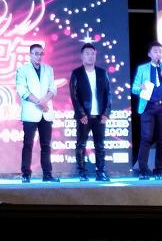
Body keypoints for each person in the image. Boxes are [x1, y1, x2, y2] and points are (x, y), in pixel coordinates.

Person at [131, 41, 162, 180]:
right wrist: (140, 87)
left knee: (161, 140)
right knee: (146, 137)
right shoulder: (142, 69)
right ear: (149, 54)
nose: (158, 54)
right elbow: (134, 88)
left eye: (160, 51)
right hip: (148, 107)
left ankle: (159, 170)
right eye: (155, 51)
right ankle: (143, 170)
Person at [16, 44, 60, 183]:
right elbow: (22, 90)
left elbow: (53, 88)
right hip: (31, 113)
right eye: (36, 53)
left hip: (46, 112)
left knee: (46, 145)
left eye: (41, 53)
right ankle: (26, 174)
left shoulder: (48, 69)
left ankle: (47, 174)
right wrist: (39, 102)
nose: (39, 56)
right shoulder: (22, 70)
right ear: (30, 54)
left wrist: (44, 101)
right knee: (28, 144)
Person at [69, 43, 112, 182]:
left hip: (99, 116)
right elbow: (74, 95)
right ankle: (82, 172)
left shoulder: (102, 73)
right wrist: (81, 114)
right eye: (87, 53)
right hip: (84, 117)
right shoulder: (77, 73)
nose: (90, 56)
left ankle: (101, 172)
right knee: (81, 144)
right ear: (81, 56)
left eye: (93, 54)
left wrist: (106, 113)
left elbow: (108, 93)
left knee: (100, 145)